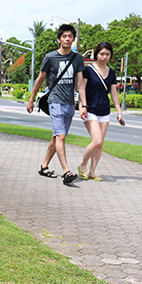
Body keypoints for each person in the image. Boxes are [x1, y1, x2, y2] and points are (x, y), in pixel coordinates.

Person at [26, 24, 87, 185]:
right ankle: (67, 171)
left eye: (70, 36)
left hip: (69, 103)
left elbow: (80, 84)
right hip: (55, 101)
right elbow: (39, 79)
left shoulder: (78, 58)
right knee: (61, 136)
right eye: (64, 36)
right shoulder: (50, 57)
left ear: (73, 39)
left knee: (57, 137)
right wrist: (31, 99)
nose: (67, 39)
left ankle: (44, 166)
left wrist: (83, 105)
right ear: (59, 39)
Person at [77, 41, 124, 181]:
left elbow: (114, 94)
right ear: (96, 54)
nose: (104, 57)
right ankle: (83, 165)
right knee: (96, 140)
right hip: (90, 109)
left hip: (104, 110)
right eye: (102, 54)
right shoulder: (88, 70)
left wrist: (119, 112)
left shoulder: (112, 72)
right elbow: (82, 89)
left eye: (107, 54)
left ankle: (92, 171)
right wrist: (83, 106)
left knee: (100, 144)